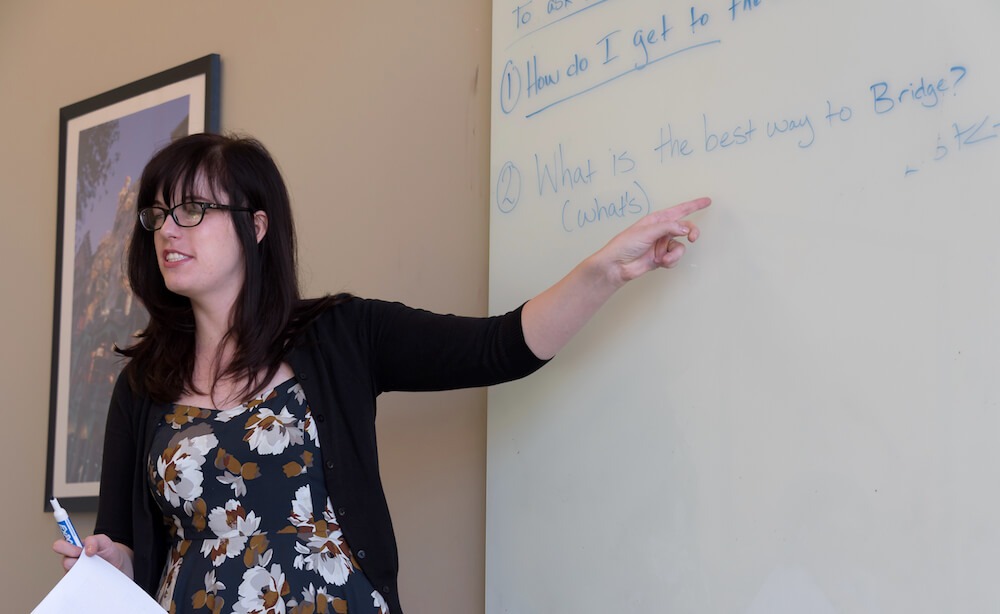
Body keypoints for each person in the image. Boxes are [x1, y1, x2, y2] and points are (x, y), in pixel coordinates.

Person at [53, 132, 710, 614]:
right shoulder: (142, 385)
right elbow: (124, 544)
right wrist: (111, 562)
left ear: (256, 226)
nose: (170, 228)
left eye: (192, 208)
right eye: (159, 214)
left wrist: (604, 272)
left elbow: (497, 346)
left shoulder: (342, 335)